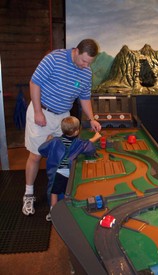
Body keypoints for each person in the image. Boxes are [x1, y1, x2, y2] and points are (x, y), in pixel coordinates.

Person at [22, 39, 101, 216]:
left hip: (63, 116)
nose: (86, 65)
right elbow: (35, 83)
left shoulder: (86, 72)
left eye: (90, 62)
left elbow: (85, 97)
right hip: (41, 110)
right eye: (84, 61)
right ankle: (28, 193)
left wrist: (92, 118)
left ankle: (59, 197)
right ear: (76, 51)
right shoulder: (54, 59)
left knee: (64, 155)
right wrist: (37, 112)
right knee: (35, 155)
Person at [38, 116, 101, 221]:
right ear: (76, 132)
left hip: (56, 172)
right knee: (68, 192)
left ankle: (52, 212)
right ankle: (67, 211)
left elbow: (41, 149)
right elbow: (89, 148)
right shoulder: (78, 143)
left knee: (54, 191)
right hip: (68, 173)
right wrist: (95, 138)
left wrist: (47, 141)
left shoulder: (55, 141)